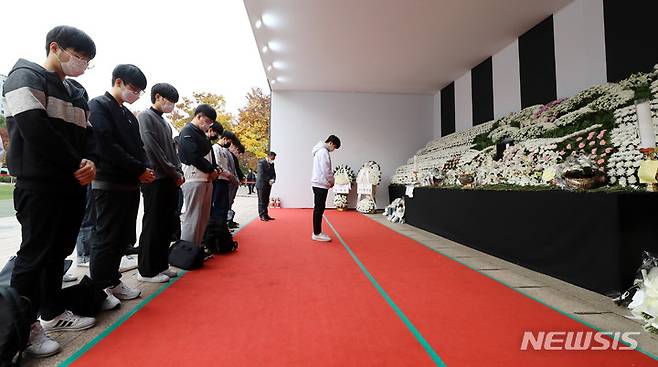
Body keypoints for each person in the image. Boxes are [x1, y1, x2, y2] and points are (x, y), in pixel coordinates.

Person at [3, 25, 97, 357]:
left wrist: (89, 163)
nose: (83, 64)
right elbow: (35, 130)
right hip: (40, 183)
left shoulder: (77, 92)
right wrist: (76, 163)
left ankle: (53, 312)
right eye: (80, 56)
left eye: (88, 60)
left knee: (58, 252)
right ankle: (22, 328)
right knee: (34, 256)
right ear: (55, 48)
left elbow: (90, 136)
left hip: (71, 184)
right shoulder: (23, 76)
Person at [88, 64, 154, 307]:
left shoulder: (127, 114)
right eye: (133, 89)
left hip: (129, 184)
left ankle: (112, 280)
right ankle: (100, 286)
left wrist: (145, 168)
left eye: (139, 91)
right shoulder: (98, 105)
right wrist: (138, 169)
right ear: (118, 82)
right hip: (108, 182)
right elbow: (106, 145)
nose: (135, 94)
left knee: (121, 237)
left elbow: (138, 147)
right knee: (105, 236)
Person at [136, 83, 184, 283]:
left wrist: (178, 171)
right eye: (169, 101)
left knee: (165, 225)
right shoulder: (146, 117)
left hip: (169, 179)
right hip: (155, 179)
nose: (171, 105)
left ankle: (161, 265)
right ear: (157, 97)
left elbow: (172, 152)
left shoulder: (164, 122)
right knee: (153, 224)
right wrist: (174, 172)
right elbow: (153, 150)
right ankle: (146, 270)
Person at [178, 104, 220, 246]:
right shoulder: (187, 131)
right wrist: (211, 170)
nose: (208, 125)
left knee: (202, 217)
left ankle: (197, 247)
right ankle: (186, 249)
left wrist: (214, 170)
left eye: (211, 123)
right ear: (199, 116)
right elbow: (192, 156)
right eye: (207, 121)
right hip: (193, 178)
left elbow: (209, 157)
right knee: (192, 217)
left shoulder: (202, 134)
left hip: (206, 179)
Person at [311, 135, 341, 242]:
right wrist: (332, 181)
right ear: (331, 143)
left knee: (319, 208)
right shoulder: (323, 152)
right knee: (319, 209)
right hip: (321, 184)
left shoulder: (319, 151)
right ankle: (317, 233)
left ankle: (317, 231)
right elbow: (326, 170)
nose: (333, 150)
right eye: (335, 147)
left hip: (318, 183)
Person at [210, 130, 238, 223]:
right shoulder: (215, 148)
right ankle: (217, 227)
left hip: (225, 180)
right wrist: (228, 174)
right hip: (219, 180)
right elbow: (217, 164)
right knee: (218, 206)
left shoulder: (223, 150)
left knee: (224, 206)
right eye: (229, 141)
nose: (229, 144)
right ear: (225, 139)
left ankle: (222, 226)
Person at [227, 140, 244, 228]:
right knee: (227, 203)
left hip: (233, 182)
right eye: (238, 151)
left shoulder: (233, 156)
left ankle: (229, 221)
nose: (237, 153)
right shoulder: (227, 154)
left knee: (230, 202)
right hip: (229, 181)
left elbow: (237, 169)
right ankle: (227, 222)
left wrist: (240, 178)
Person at [256, 151, 276, 221]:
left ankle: (266, 214)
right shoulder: (261, 163)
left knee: (266, 200)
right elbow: (261, 174)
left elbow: (273, 173)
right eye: (272, 158)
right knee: (262, 201)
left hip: (268, 185)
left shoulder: (271, 164)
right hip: (261, 185)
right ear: (269, 156)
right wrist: (268, 180)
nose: (273, 160)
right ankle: (262, 215)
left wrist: (273, 179)